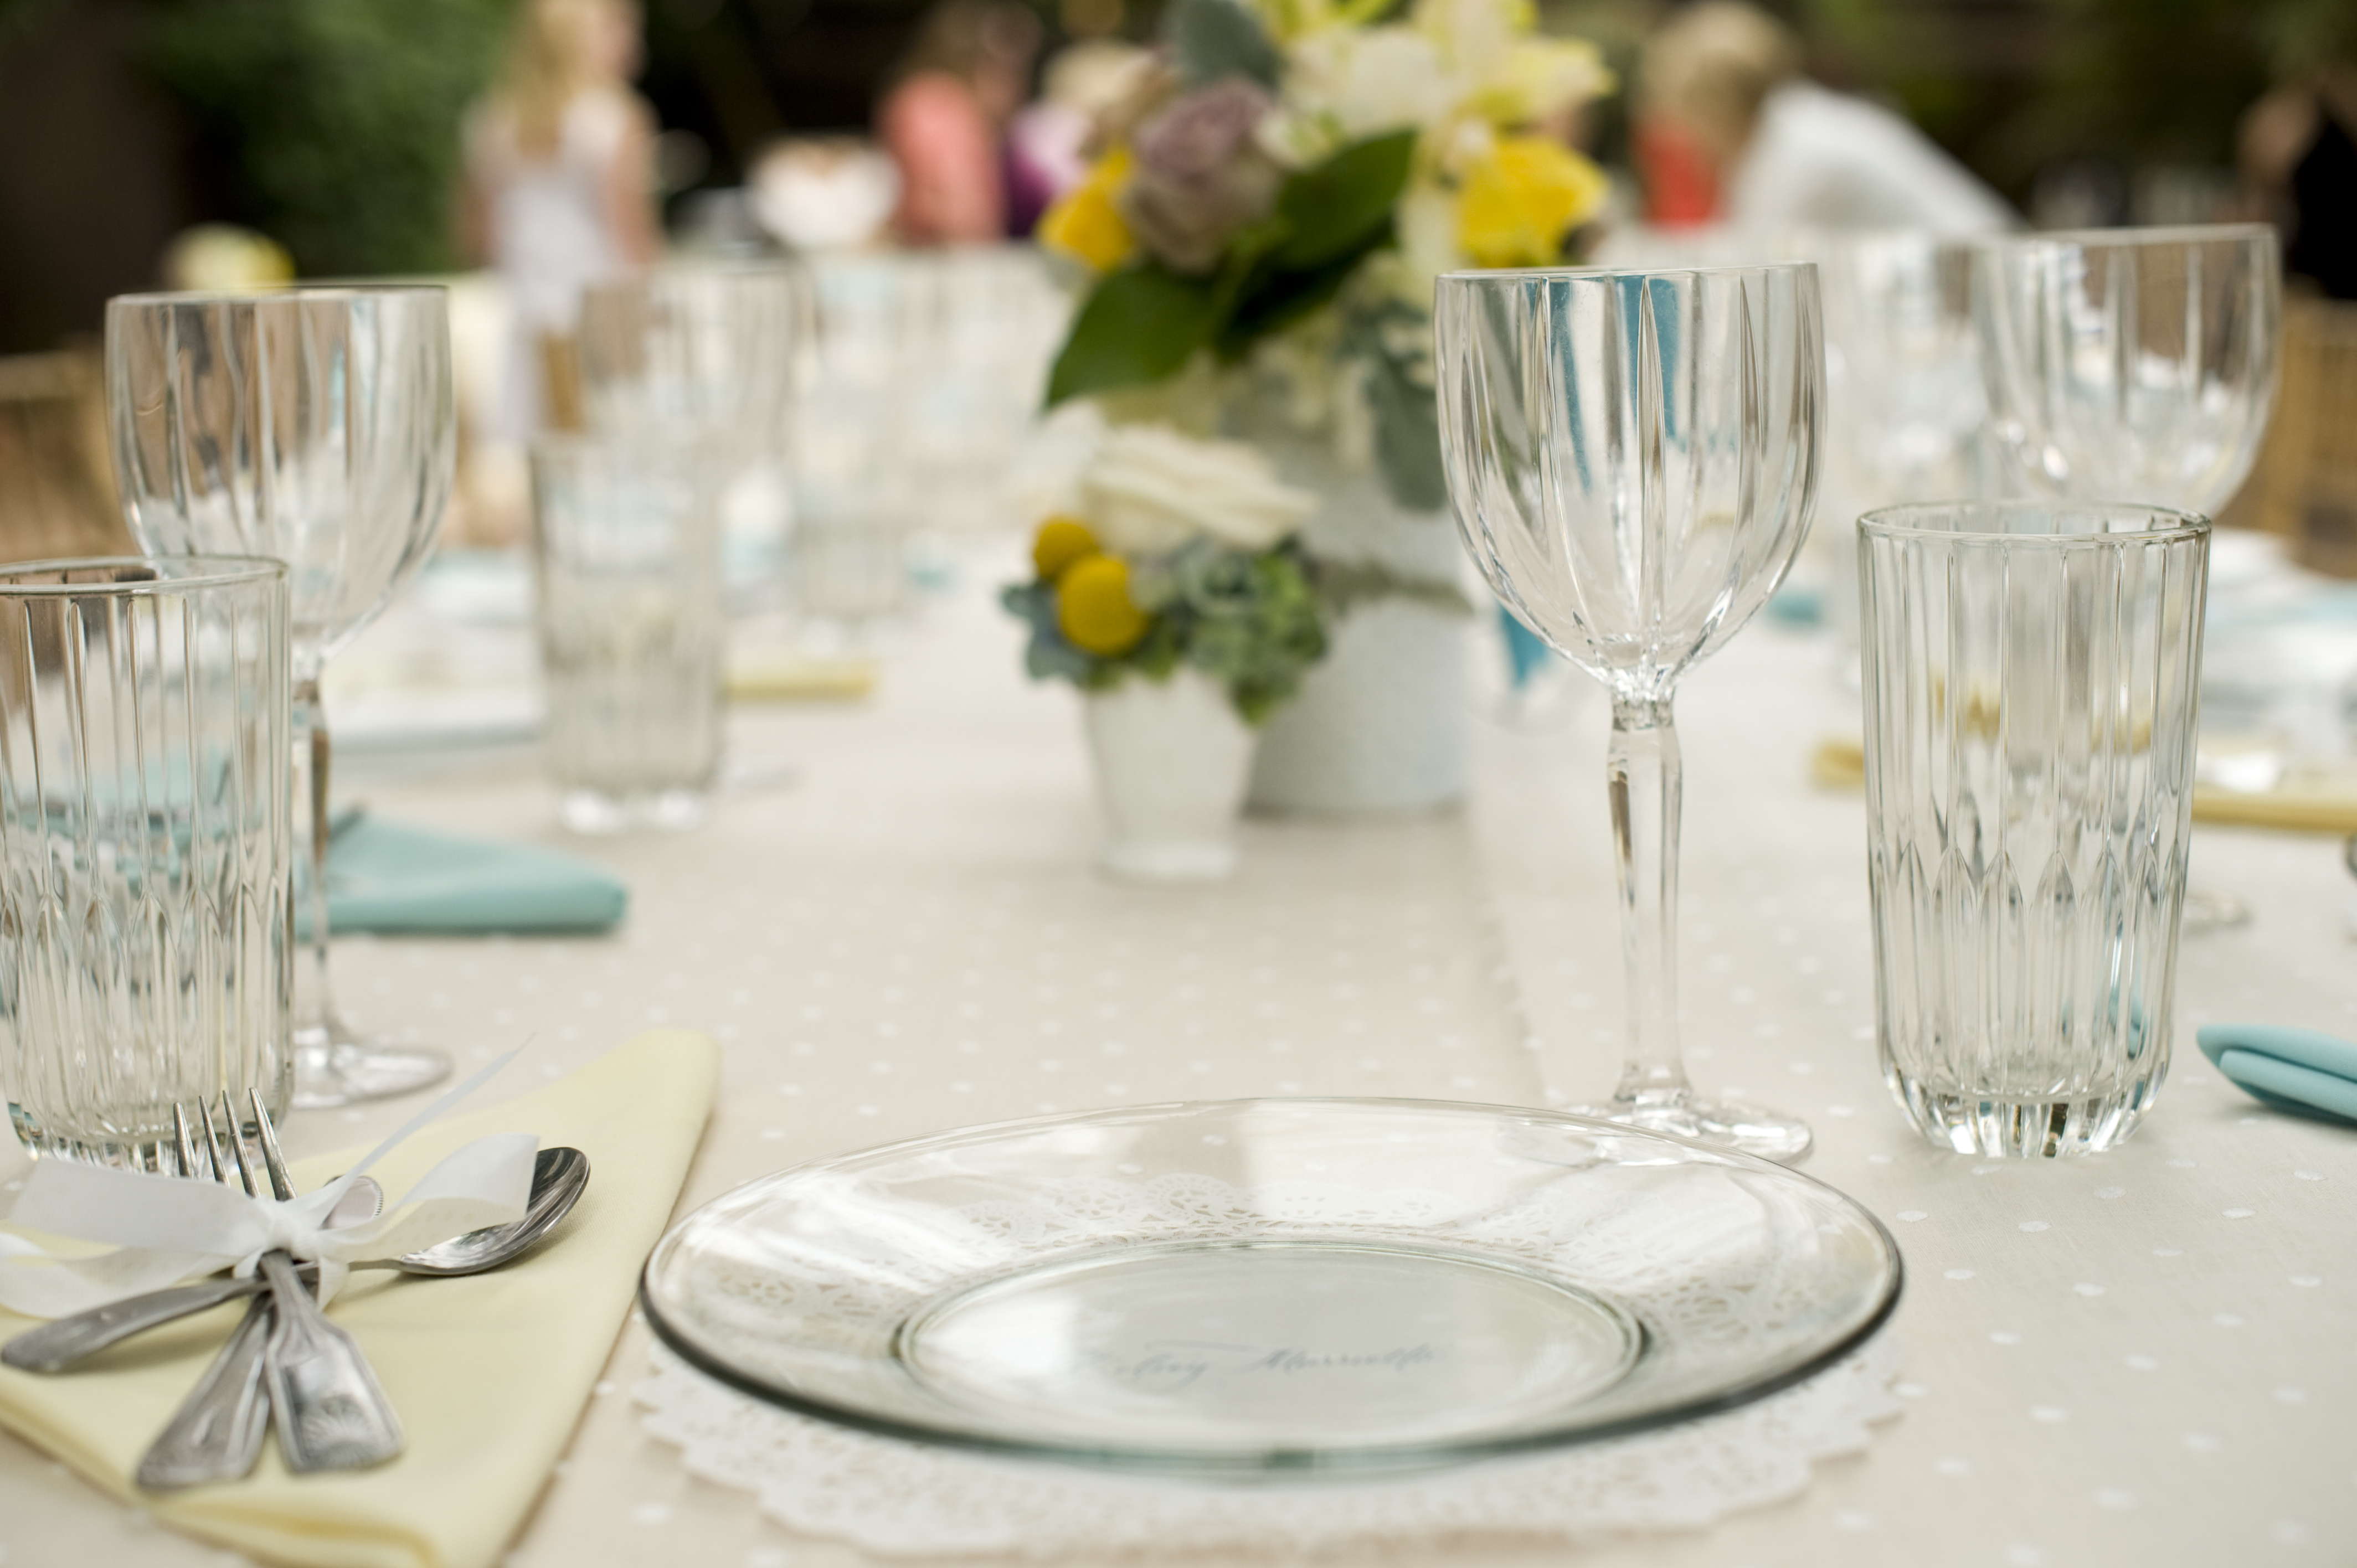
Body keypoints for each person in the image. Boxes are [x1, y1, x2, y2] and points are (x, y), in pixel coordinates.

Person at [460, 0, 662, 439]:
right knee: (607, 438)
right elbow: (631, 233)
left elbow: (479, 232)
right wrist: (656, 303)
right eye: (618, 29)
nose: (632, 42)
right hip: (602, 305)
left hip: (529, 308)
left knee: (534, 444)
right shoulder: (613, 117)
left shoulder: (493, 119)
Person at [1635, 2, 2012, 235]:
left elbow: (1747, 265)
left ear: (1710, 104)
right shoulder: (1799, 122)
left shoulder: (1795, 156)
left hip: (1976, 294)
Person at [876, 0, 1042, 245]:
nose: (1019, 86)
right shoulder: (939, 107)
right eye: (1010, 69)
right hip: (942, 266)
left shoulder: (924, 98)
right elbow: (959, 217)